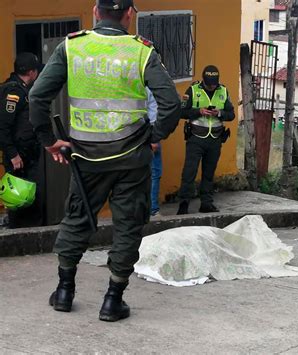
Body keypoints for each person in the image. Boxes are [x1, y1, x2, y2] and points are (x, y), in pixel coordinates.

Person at [29, 0, 181, 322]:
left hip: (86, 157)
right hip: (131, 158)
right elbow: (170, 103)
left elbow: (37, 96)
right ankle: (113, 300)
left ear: (96, 12)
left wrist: (48, 140)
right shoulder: (141, 51)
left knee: (77, 219)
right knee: (128, 225)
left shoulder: (73, 46)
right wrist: (154, 137)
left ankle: (65, 292)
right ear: (129, 14)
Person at [177, 65, 235, 215]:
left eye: (214, 83)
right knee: (189, 172)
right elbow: (181, 112)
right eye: (209, 84)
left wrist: (219, 113)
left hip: (215, 139)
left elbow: (231, 114)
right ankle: (183, 204)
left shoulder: (223, 90)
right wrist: (199, 112)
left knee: (209, 174)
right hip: (196, 138)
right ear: (203, 80)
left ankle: (206, 204)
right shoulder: (193, 90)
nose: (212, 86)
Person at [0, 53, 43, 228]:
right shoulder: (13, 92)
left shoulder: (22, 89)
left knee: (28, 199)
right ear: (32, 72)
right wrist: (13, 154)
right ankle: (21, 234)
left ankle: (27, 232)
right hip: (19, 158)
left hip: (27, 156)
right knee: (20, 199)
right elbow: (3, 127)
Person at [146, 88, 162, 217]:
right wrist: (154, 138)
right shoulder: (147, 81)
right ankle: (152, 210)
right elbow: (153, 110)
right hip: (146, 134)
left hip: (123, 135)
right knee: (154, 173)